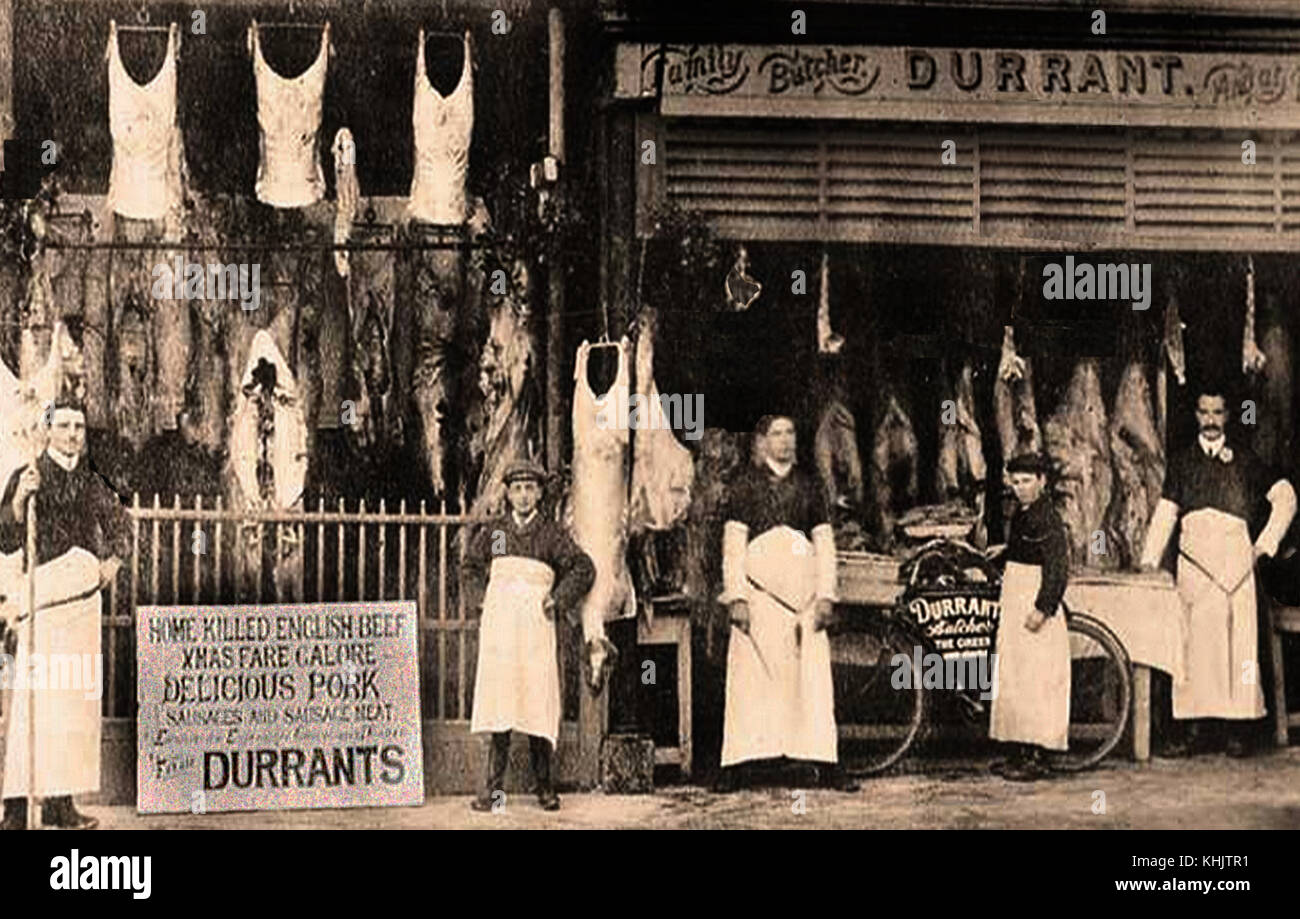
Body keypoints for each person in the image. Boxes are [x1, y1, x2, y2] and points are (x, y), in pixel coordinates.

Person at [1139, 384, 1296, 757]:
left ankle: (1237, 731)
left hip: (1235, 570)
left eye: (1217, 413)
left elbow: (1286, 497)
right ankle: (1195, 730)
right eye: (1204, 412)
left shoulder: (1246, 459)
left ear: (1227, 416)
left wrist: (1263, 546)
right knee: (1194, 651)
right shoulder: (1181, 461)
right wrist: (1148, 560)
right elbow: (1166, 514)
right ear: (1196, 415)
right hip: (1193, 568)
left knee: (1237, 649)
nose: (1210, 420)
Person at [0, 395, 131, 830]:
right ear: (49, 429)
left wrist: (110, 563)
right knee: (34, 706)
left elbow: (121, 526)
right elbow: (4, 538)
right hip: (43, 601)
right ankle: (17, 808)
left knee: (73, 708)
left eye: (79, 427)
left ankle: (61, 805)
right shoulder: (29, 474)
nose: (73, 434)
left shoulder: (92, 480)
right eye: (65, 426)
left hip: (81, 603)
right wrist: (20, 500)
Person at [713, 414, 858, 793]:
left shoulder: (811, 486)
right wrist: (737, 598)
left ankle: (826, 765)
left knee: (811, 686)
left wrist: (827, 594)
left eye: (791, 433)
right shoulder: (743, 487)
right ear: (762, 441)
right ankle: (736, 766)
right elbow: (733, 549)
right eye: (777, 434)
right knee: (750, 686)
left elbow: (825, 545)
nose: (785, 441)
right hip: (758, 601)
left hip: (804, 605)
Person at [460, 459, 595, 812]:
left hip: (536, 624)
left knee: (536, 699)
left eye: (530, 488)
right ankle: (491, 792)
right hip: (502, 625)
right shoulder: (500, 532)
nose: (523, 496)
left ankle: (545, 788)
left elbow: (583, 568)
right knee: (500, 700)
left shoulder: (550, 534)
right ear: (507, 493)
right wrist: (482, 602)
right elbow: (471, 566)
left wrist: (558, 597)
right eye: (516, 488)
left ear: (539, 493)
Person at [988, 452, 1071, 781]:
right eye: (1015, 481)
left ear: (1042, 482)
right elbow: (1027, 546)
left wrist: (1043, 607)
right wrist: (1005, 551)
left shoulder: (1048, 517)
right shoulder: (1023, 514)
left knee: (1036, 679)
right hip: (1016, 595)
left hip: (1034, 599)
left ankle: (1037, 755)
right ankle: (1020, 750)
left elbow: (1057, 566)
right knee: (1017, 676)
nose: (1019, 488)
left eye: (1026, 481)